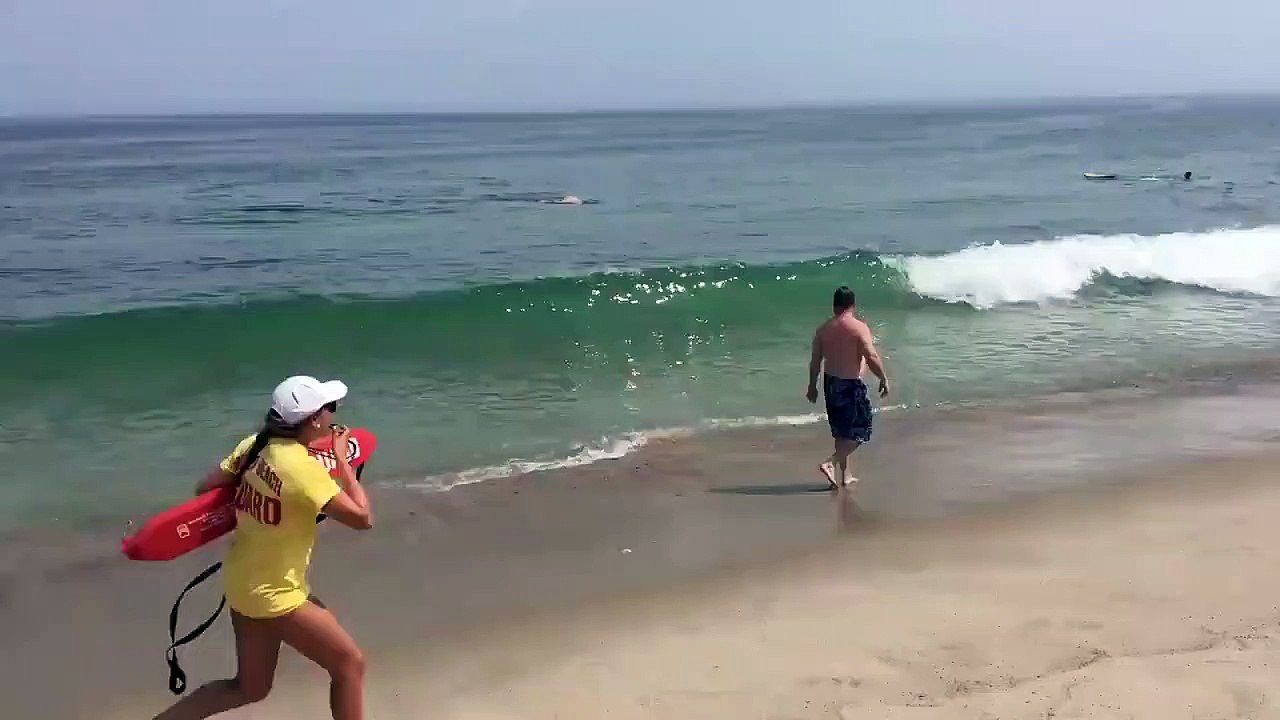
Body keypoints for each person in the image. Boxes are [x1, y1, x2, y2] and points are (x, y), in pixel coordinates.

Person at [156, 375, 374, 720]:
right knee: (349, 664)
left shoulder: (253, 447)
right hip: (276, 594)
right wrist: (341, 461)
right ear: (314, 419)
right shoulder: (302, 471)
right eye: (330, 408)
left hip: (242, 583)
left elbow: (206, 489)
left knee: (250, 688)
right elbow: (362, 518)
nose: (334, 415)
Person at [806, 286, 889, 489]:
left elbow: (815, 361)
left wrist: (812, 386)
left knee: (841, 431)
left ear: (834, 306)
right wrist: (883, 378)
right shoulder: (859, 327)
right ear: (852, 305)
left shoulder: (823, 329)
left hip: (830, 383)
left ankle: (845, 476)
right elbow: (871, 356)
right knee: (862, 430)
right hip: (851, 385)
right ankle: (831, 463)